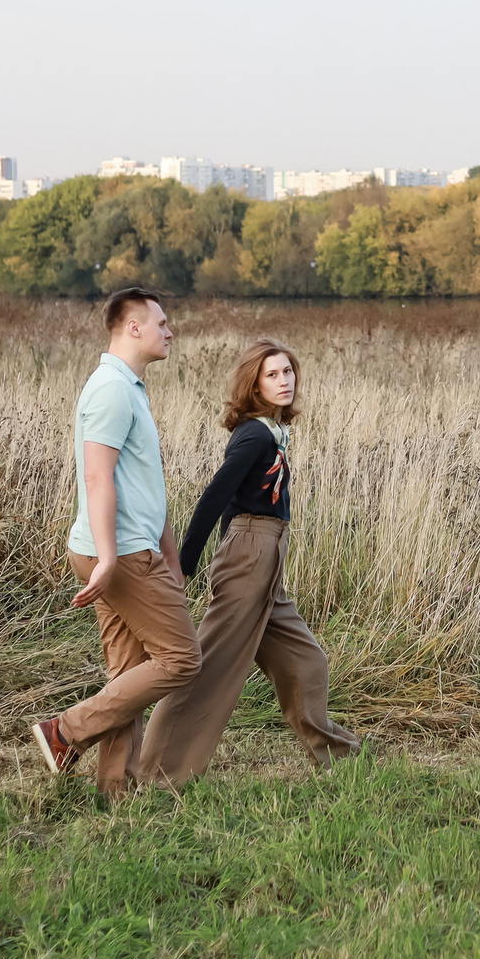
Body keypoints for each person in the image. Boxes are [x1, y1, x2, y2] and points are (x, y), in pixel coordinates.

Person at [134, 337, 359, 786]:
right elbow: (216, 495)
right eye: (272, 374)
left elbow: (236, 501)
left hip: (266, 555)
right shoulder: (255, 433)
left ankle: (338, 756)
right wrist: (185, 563)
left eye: (288, 371)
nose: (284, 380)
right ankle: (157, 772)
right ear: (254, 384)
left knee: (306, 661)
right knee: (213, 665)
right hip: (251, 553)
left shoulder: (271, 433)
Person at [30, 286, 199, 798]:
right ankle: (65, 731)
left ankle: (114, 790)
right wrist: (108, 558)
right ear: (133, 327)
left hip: (126, 548)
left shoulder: (131, 388)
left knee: (127, 672)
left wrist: (171, 557)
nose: (170, 331)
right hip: (119, 551)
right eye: (162, 323)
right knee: (181, 658)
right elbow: (98, 479)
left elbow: (146, 485)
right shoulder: (110, 390)